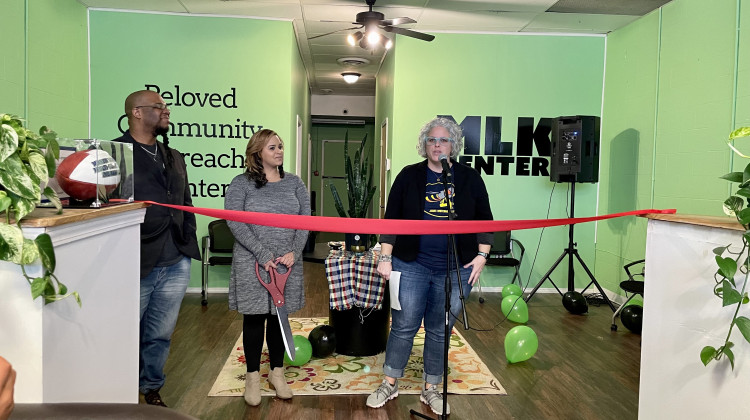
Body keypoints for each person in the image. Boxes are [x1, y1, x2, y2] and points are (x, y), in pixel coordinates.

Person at [366, 117, 493, 415]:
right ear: (424, 145)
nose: (437, 145)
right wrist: (385, 257)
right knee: (404, 326)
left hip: (455, 267)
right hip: (411, 264)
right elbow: (392, 219)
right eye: (432, 140)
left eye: (443, 140)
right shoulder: (409, 176)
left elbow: (486, 219)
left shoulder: (470, 178)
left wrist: (482, 255)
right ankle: (390, 382)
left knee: (440, 330)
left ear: (454, 145)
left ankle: (431, 388)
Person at [113, 90, 201, 407]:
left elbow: (185, 202)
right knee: (126, 330)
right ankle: (120, 388)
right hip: (135, 258)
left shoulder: (173, 156)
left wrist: (187, 236)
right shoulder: (115, 153)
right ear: (137, 112)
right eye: (159, 107)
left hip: (176, 258)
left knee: (160, 333)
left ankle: (151, 388)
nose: (166, 111)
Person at [224, 129, 311, 406]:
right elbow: (234, 221)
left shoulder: (296, 183)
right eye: (272, 147)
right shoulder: (241, 183)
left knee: (277, 316)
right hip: (252, 261)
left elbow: (305, 220)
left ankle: (277, 374)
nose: (279, 151)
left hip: (285, 263)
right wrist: (262, 253)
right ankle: (252, 378)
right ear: (257, 152)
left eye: (281, 147)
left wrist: (293, 252)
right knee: (253, 319)